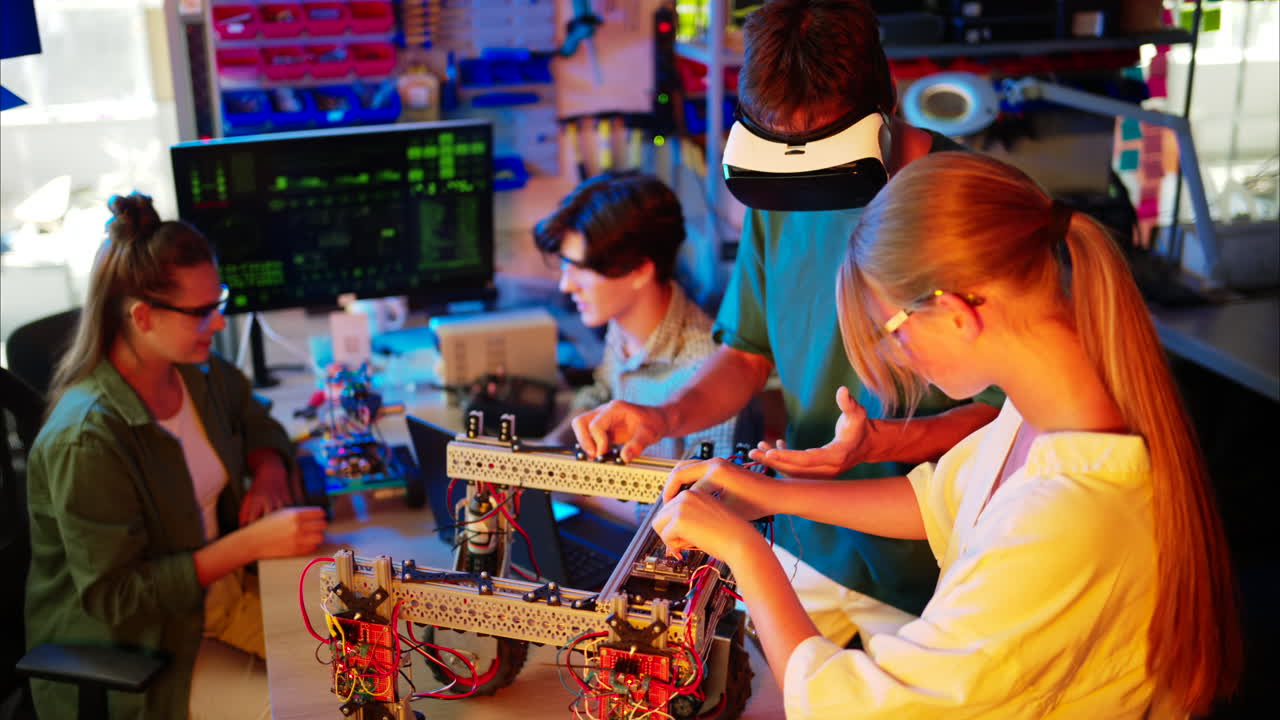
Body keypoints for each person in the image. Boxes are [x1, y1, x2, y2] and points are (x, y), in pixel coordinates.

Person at [652, 152, 1243, 717]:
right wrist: (767, 496)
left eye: (893, 332)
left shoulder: (1069, 512)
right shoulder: (1038, 414)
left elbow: (854, 707)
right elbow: (938, 500)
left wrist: (743, 550)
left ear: (957, 313)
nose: (898, 359)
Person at [571, 0, 999, 641]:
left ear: (881, 108)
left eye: (824, 148)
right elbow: (747, 354)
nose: (806, 170)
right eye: (786, 147)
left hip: (933, 565)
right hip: (802, 539)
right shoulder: (784, 187)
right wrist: (666, 416)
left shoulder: (972, 203)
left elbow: (1006, 416)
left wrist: (880, 443)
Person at [24, 193, 328, 720]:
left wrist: (270, 470)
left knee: (366, 659)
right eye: (200, 313)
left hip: (218, 603)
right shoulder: (88, 440)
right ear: (142, 317)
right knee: (317, 707)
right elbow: (117, 601)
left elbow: (254, 418)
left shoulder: (192, 373)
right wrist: (245, 544)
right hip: (143, 651)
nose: (216, 324)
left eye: (219, 302)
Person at [538, 170, 735, 461]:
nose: (566, 284)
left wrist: (570, 487)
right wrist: (550, 446)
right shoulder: (620, 326)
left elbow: (708, 497)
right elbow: (601, 392)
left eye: (581, 268)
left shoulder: (707, 368)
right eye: (566, 265)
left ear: (640, 269)